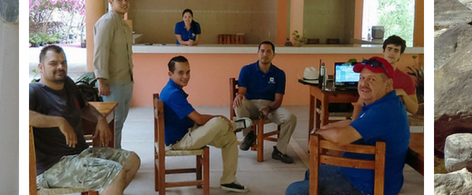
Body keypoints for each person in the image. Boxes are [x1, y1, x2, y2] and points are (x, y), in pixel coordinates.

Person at [285, 57, 409, 195]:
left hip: (367, 185)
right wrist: (322, 129)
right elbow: (354, 123)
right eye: (362, 78)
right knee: (312, 173)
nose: (364, 83)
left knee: (295, 191)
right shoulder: (381, 103)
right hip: (360, 172)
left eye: (372, 79)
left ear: (388, 84)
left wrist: (319, 133)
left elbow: (340, 138)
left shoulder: (383, 111)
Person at [29, 45, 141, 195]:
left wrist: (100, 119)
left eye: (63, 62)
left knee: (132, 161)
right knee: (114, 173)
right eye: (53, 63)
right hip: (54, 166)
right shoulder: (34, 91)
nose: (60, 67)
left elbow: (85, 107)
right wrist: (59, 121)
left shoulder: (68, 84)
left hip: (81, 154)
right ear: (41, 67)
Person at [160, 56, 248, 192]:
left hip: (188, 131)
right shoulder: (173, 94)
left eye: (188, 72)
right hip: (180, 141)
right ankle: (235, 125)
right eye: (181, 73)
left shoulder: (172, 89)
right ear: (170, 74)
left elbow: (195, 119)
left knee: (230, 139)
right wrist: (220, 117)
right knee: (218, 121)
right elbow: (199, 119)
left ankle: (228, 180)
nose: (186, 76)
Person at [234, 41, 297, 164]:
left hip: (270, 107)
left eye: (269, 51)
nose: (265, 54)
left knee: (291, 118)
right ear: (258, 53)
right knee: (239, 103)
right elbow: (242, 92)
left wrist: (268, 107)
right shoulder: (246, 70)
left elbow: (278, 100)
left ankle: (279, 151)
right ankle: (249, 136)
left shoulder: (279, 74)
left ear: (274, 55)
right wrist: (239, 95)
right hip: (251, 105)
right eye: (262, 51)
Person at [94, 0, 134, 148]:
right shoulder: (107, 21)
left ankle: (116, 149)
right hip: (112, 83)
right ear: (111, 2)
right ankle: (111, 153)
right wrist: (101, 80)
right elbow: (100, 51)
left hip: (126, 81)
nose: (124, 3)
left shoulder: (123, 25)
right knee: (113, 121)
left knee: (120, 120)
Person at [381, 35, 419, 114]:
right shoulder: (373, 74)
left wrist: (402, 93)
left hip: (396, 120)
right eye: (389, 49)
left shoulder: (406, 80)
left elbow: (414, 109)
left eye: (396, 50)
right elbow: (360, 103)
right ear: (383, 51)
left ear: (400, 55)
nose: (392, 53)